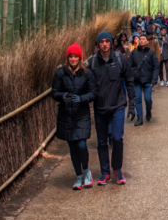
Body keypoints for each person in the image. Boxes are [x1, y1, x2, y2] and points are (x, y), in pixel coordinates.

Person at [88, 31, 135, 184]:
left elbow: (129, 81)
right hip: (100, 107)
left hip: (118, 105)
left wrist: (132, 104)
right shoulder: (93, 62)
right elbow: (85, 82)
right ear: (98, 44)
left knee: (117, 138)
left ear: (111, 43)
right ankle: (105, 172)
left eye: (107, 41)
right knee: (101, 141)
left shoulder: (120, 60)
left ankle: (117, 168)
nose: (104, 44)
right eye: (101, 42)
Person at [51, 43, 97, 189]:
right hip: (66, 114)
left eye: (75, 56)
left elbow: (93, 92)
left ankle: (86, 171)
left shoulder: (87, 73)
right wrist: (62, 96)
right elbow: (54, 92)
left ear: (80, 57)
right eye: (70, 56)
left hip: (81, 114)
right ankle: (78, 176)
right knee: (72, 147)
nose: (73, 59)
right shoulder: (60, 73)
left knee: (81, 145)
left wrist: (82, 98)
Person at [129, 31, 159, 125]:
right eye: (140, 39)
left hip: (148, 80)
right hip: (137, 80)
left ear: (147, 42)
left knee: (147, 98)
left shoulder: (151, 53)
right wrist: (133, 74)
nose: (141, 41)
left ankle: (148, 110)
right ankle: (140, 118)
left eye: (143, 39)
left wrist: (154, 80)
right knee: (138, 99)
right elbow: (130, 66)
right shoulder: (134, 53)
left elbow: (156, 67)